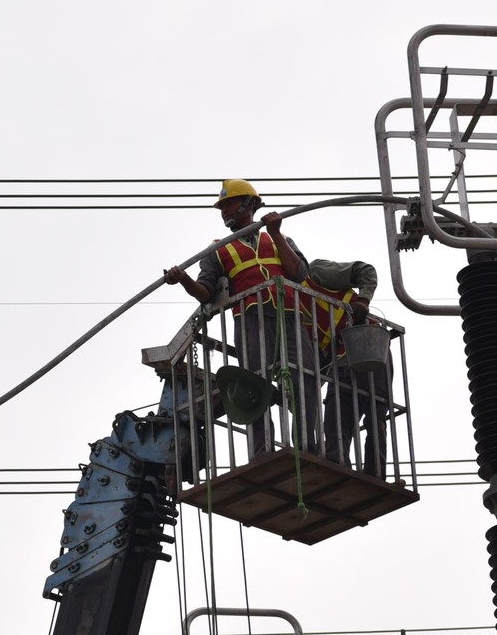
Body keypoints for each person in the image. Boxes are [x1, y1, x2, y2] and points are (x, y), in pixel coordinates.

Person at [163, 180, 320, 455]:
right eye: (221, 208)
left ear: (249, 204)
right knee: (253, 383)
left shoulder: (278, 237)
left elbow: (299, 273)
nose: (224, 212)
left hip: (289, 316)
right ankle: (263, 449)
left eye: (229, 204)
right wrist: (184, 279)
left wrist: (276, 233)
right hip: (250, 319)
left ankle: (308, 444)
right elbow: (206, 294)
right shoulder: (217, 249)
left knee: (303, 378)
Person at [303, 258, 389, 477]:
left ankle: (375, 473)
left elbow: (366, 270)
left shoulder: (315, 273)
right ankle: (338, 469)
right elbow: (319, 356)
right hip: (341, 361)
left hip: (370, 345)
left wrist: (363, 301)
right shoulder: (289, 306)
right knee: (335, 419)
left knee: (375, 414)